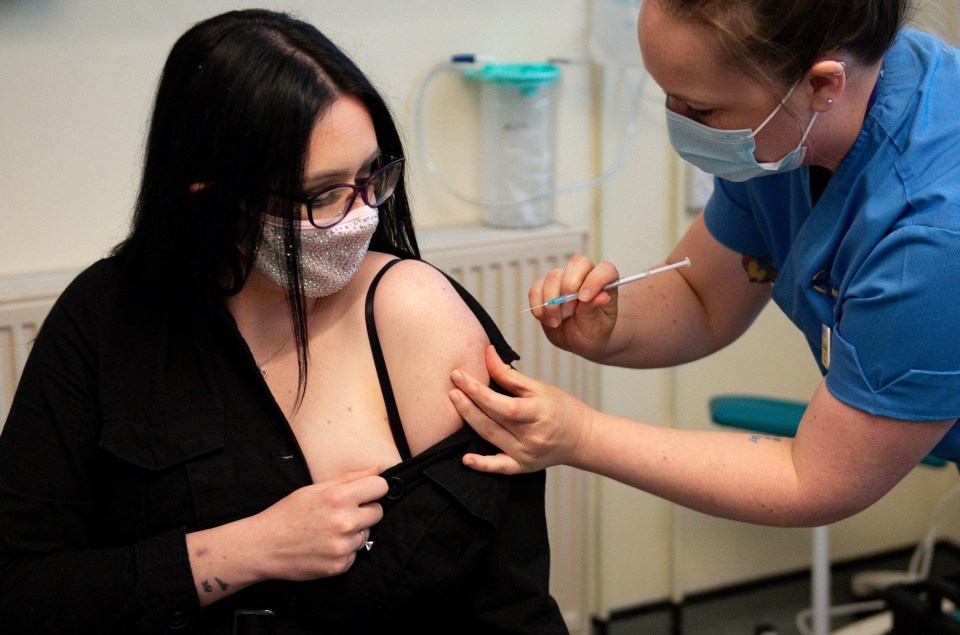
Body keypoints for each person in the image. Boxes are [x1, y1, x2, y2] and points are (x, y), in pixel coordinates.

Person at [0, 9, 567, 634]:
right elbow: (23, 584)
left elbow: (510, 604)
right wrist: (249, 549)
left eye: (373, 176)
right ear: (211, 197)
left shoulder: (415, 310)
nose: (361, 216)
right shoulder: (107, 320)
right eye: (322, 195)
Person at [449, 0, 960, 530]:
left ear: (821, 87)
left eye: (702, 111)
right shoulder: (798, 123)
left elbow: (811, 479)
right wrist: (610, 324)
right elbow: (702, 296)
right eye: (667, 95)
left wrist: (581, 436)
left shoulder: (932, 237)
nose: (680, 123)